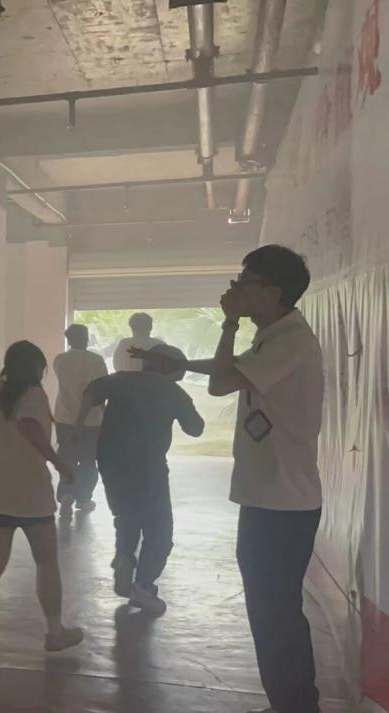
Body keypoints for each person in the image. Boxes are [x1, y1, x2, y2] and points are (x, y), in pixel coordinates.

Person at [133, 245, 323, 713]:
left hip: (284, 501)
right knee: (268, 610)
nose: (234, 290)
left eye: (244, 283)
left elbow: (222, 384)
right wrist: (182, 366)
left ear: (272, 292)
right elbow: (233, 370)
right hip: (269, 497)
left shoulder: (291, 340)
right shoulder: (275, 336)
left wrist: (229, 322)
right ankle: (287, 703)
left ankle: (298, 705)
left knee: (277, 612)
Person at [0, 341, 82, 673]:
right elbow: (28, 426)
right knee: (46, 561)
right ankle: (54, 631)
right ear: (35, 366)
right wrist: (59, 463)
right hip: (29, 493)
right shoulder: (33, 394)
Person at [74, 344, 203, 616]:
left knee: (126, 514)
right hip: (149, 464)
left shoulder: (120, 380)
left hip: (110, 460)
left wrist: (78, 426)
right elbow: (196, 428)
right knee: (159, 529)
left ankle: (124, 555)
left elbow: (90, 392)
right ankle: (143, 587)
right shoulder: (172, 391)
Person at [52, 324, 108, 516]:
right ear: (86, 338)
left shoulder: (60, 360)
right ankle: (84, 499)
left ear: (68, 339)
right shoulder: (96, 360)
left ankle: (66, 494)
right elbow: (101, 390)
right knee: (88, 461)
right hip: (92, 420)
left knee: (67, 457)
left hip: (64, 418)